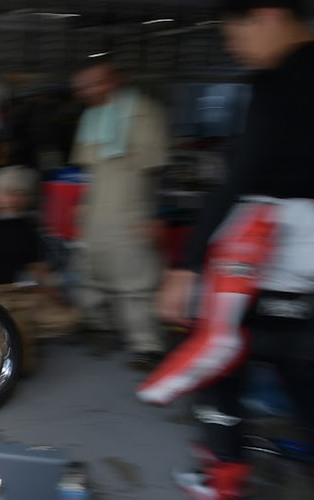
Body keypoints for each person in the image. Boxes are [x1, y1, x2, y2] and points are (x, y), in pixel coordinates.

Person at [137, 1, 314, 498]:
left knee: (223, 352)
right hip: (296, 262)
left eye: (235, 34)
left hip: (281, 254)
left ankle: (225, 473)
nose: (232, 47)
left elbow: (242, 175)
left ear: (268, 13)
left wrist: (186, 263)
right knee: (296, 362)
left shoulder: (280, 81)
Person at [70, 56, 169, 370]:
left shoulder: (144, 111)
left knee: (135, 279)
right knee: (89, 270)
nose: (87, 90)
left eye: (94, 82)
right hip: (98, 204)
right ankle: (101, 326)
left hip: (131, 203)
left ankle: (147, 345)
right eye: (83, 86)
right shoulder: (90, 116)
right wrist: (83, 205)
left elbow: (155, 171)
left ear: (114, 80)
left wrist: (154, 213)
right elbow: (88, 168)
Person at [0, 165, 79, 374]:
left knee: (69, 318)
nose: (15, 200)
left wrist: (52, 288)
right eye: (9, 194)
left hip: (16, 290)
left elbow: (37, 266)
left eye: (20, 195)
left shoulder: (26, 225)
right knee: (16, 350)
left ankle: (13, 329)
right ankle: (8, 335)